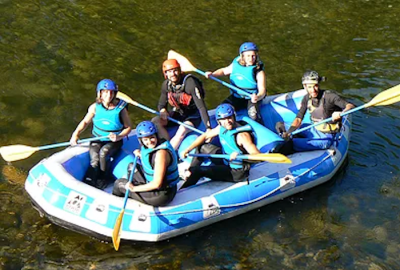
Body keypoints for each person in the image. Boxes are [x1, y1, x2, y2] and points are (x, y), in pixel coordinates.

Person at [180, 103, 260, 188]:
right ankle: (190, 172)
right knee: (202, 147)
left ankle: (183, 191)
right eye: (224, 119)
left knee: (199, 171)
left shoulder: (242, 136)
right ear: (219, 121)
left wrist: (240, 156)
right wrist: (188, 150)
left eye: (229, 118)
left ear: (234, 117)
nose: (227, 122)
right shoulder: (221, 127)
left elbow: (257, 157)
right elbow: (205, 136)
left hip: (236, 171)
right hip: (225, 159)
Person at [70, 79, 132, 189]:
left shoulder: (121, 109)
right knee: (94, 158)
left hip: (114, 141)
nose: (108, 95)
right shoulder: (94, 107)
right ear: (100, 93)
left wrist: (119, 136)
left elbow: (128, 127)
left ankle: (103, 178)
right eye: (105, 92)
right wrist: (75, 134)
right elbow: (85, 122)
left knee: (104, 153)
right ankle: (90, 179)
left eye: (111, 92)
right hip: (98, 137)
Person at [280, 70, 355, 152]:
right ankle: (293, 138)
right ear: (305, 87)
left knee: (289, 144)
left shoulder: (329, 96)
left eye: (315, 86)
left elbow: (350, 105)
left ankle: (294, 142)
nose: (313, 90)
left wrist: (341, 113)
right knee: (280, 125)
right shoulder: (306, 98)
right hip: (314, 129)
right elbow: (299, 118)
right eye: (309, 87)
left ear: (318, 85)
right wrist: (289, 132)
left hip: (326, 137)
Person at [112, 121, 179, 206]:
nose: (149, 142)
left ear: (156, 136)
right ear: (141, 140)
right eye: (145, 139)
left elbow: (157, 184)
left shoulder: (161, 154)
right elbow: (151, 158)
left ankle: (117, 205)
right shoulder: (152, 147)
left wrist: (134, 188)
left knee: (120, 184)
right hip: (152, 184)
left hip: (162, 194)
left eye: (152, 138)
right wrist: (141, 154)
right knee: (131, 166)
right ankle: (133, 196)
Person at [153, 59, 212, 150]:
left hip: (193, 115)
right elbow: (161, 104)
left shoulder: (190, 83)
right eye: (169, 72)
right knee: (155, 120)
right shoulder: (166, 85)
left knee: (182, 129)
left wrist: (208, 128)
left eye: (175, 70)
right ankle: (166, 143)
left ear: (180, 71)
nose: (173, 74)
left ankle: (169, 153)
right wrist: (163, 110)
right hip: (179, 113)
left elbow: (201, 107)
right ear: (165, 74)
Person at [205, 42, 267, 124]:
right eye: (248, 56)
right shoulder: (235, 65)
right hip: (237, 96)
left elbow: (262, 90)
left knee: (253, 114)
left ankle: (259, 127)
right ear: (243, 56)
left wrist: (257, 97)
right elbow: (224, 71)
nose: (251, 58)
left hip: (251, 98)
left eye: (253, 56)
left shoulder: (258, 71)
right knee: (222, 109)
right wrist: (213, 74)